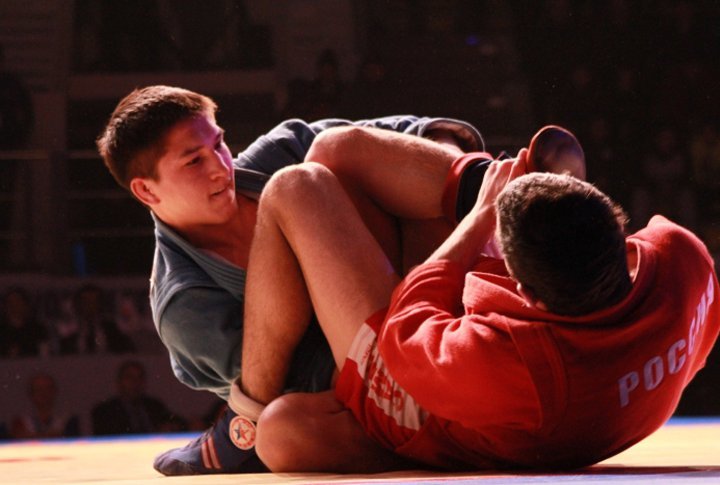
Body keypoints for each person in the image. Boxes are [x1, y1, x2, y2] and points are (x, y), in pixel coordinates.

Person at [224, 139, 719, 472]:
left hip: (429, 375)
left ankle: (238, 422)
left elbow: (405, 326)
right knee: (335, 151)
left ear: (524, 294)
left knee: (297, 184)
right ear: (615, 229)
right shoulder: (684, 260)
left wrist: (479, 220)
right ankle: (474, 185)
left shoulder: (518, 367)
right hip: (519, 400)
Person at [96, 84, 485, 474]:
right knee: (281, 431)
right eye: (194, 162)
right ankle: (451, 432)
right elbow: (312, 389)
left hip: (444, 277)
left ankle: (500, 186)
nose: (220, 166)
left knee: (334, 149)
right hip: (385, 370)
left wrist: (449, 169)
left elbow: (418, 132)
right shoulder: (186, 306)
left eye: (218, 144)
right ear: (146, 190)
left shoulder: (278, 153)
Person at [91, 360, 186, 435]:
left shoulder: (154, 405)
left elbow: (175, 422)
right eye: (129, 377)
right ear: (119, 382)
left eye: (139, 378)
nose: (135, 382)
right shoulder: (105, 411)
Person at [56, 284, 135, 355]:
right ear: (78, 305)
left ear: (101, 305)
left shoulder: (114, 332)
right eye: (86, 302)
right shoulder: (67, 333)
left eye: (94, 302)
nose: (90, 306)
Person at [10, 373, 80, 440]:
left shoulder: (68, 420)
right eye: (39, 389)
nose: (43, 393)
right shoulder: (21, 421)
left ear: (55, 391)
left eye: (48, 389)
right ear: (31, 393)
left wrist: (32, 436)